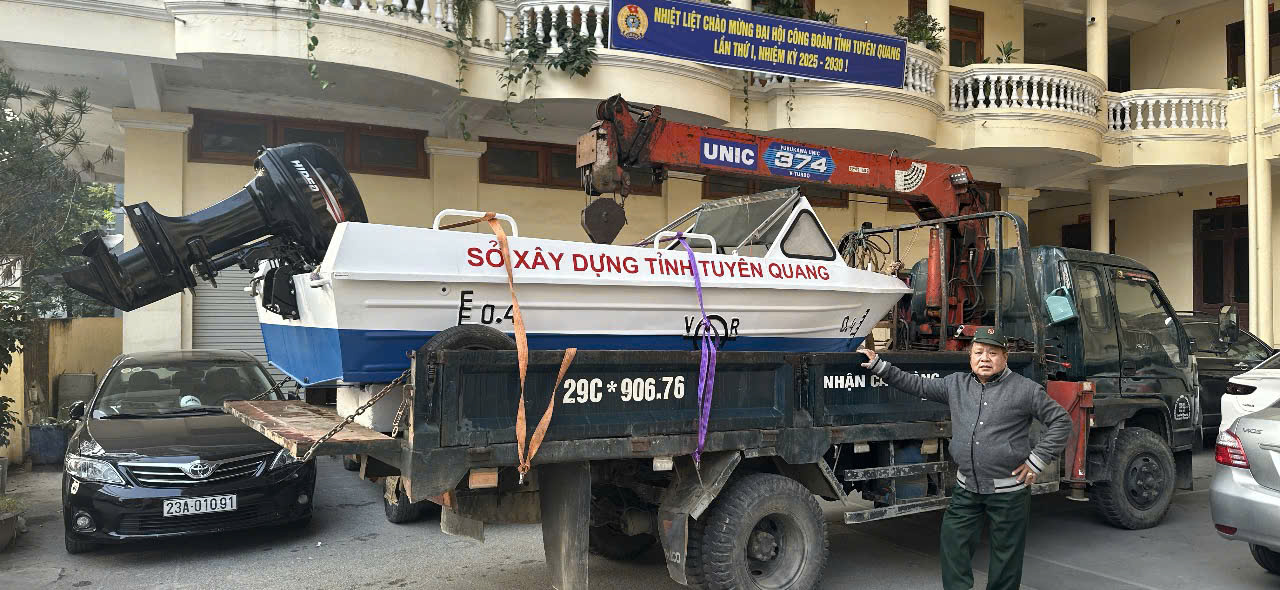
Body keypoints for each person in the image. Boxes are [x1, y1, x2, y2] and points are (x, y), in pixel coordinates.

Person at [858, 327, 1072, 590]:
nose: (985, 358)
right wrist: (880, 366)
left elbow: (1061, 421)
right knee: (953, 543)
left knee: (1006, 557)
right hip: (967, 488)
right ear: (970, 356)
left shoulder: (1025, 389)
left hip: (1009, 491)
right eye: (978, 352)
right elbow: (917, 384)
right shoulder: (956, 385)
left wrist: (1036, 460)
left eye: (993, 353)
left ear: (1005, 357)